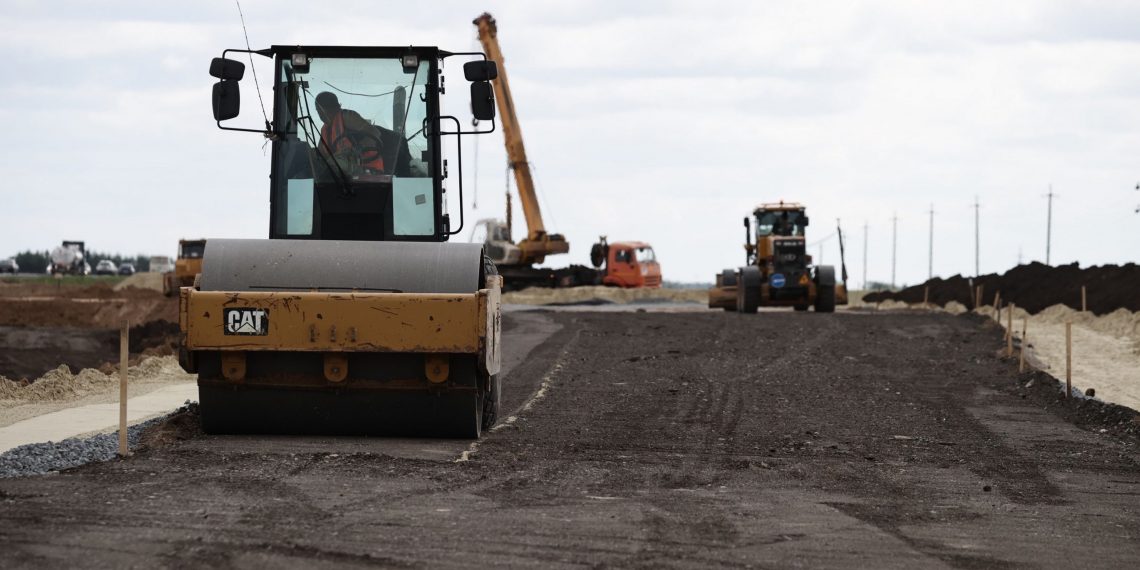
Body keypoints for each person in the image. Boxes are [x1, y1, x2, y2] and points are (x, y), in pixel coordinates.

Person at [313, 91, 385, 175]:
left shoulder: (347, 116)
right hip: (342, 174)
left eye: (320, 110)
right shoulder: (324, 129)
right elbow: (321, 154)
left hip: (367, 169)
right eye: (318, 111)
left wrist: (358, 148)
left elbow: (375, 132)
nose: (320, 114)